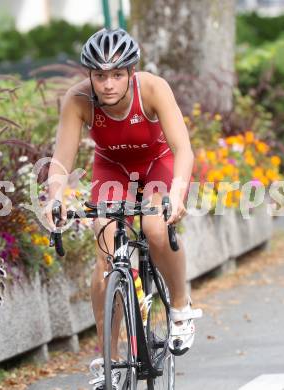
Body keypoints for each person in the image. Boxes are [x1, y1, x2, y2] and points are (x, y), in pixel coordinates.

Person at [46, 28, 202, 389]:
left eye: (117, 74)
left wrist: (176, 195)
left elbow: (183, 149)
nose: (108, 84)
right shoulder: (78, 100)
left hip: (157, 164)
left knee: (154, 227)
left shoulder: (152, 88)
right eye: (99, 75)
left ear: (131, 72)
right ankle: (109, 356)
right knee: (105, 254)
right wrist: (54, 197)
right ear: (90, 75)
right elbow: (61, 160)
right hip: (112, 169)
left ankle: (179, 307)